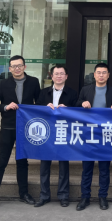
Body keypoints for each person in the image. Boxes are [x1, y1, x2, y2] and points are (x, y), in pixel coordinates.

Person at [0, 55, 41, 213]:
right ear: (10, 69)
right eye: (14, 66)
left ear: (24, 67)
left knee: (22, 162)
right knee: (0, 163)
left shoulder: (34, 82)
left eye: (19, 65)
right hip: (7, 128)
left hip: (25, 129)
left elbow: (40, 103)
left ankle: (24, 194)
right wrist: (5, 106)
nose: (17, 68)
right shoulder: (4, 84)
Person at [76, 63, 112, 212]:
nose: (101, 75)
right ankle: (85, 197)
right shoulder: (85, 90)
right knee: (87, 168)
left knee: (104, 169)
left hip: (105, 134)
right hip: (88, 134)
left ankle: (103, 197)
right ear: (94, 75)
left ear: (108, 75)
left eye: (104, 73)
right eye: (99, 72)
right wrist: (82, 103)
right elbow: (76, 104)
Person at [35, 65, 78, 208]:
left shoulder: (72, 93)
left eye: (62, 74)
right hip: (46, 133)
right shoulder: (43, 93)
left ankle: (63, 196)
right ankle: (44, 195)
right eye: (56, 74)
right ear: (51, 76)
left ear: (66, 76)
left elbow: (78, 113)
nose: (59, 76)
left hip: (63, 132)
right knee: (44, 166)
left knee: (63, 166)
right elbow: (35, 111)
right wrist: (44, 108)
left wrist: (68, 110)